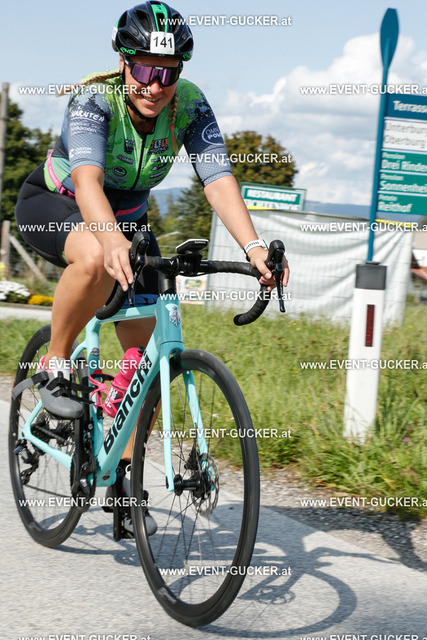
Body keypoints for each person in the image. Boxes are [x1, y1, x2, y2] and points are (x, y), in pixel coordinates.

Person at [15, 1, 289, 534]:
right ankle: (56, 363)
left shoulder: (189, 105)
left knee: (144, 361)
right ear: (124, 62)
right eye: (144, 69)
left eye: (168, 72)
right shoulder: (94, 100)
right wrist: (109, 237)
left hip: (128, 221)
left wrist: (255, 248)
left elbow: (218, 180)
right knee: (95, 256)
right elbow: (89, 181)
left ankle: (123, 477)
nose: (155, 85)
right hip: (58, 203)